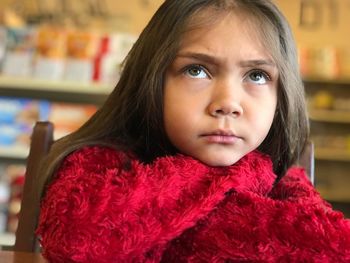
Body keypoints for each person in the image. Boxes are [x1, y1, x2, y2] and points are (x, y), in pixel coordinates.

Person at [36, 0, 350, 262]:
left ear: (282, 97)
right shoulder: (103, 163)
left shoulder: (284, 180)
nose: (227, 103)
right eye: (196, 70)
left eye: (256, 75)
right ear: (151, 80)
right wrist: (236, 174)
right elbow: (78, 237)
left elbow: (332, 247)